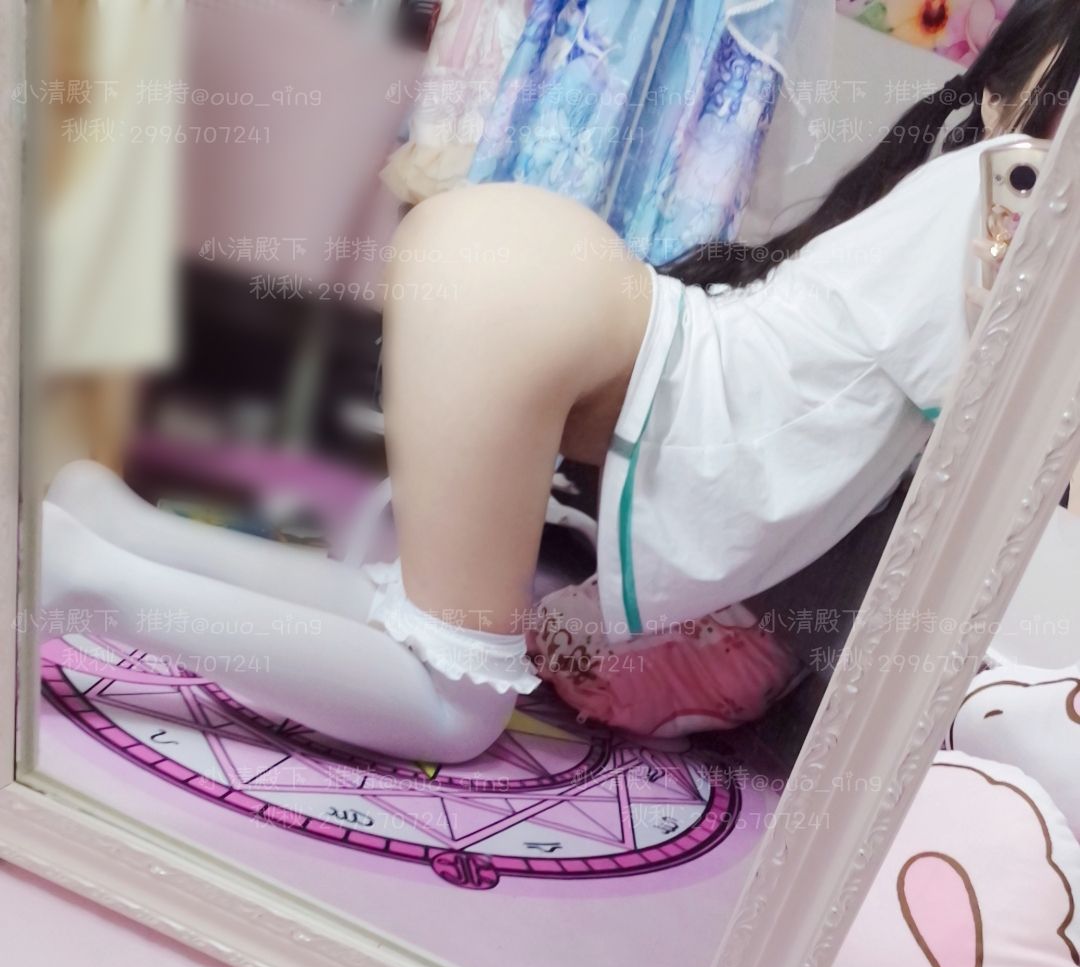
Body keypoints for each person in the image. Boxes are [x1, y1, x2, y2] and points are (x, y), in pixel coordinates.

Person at [41, 0, 1079, 764]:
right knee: (452, 706)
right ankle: (79, 581)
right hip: (529, 300)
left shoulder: (967, 190)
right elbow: (967, 473)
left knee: (418, 616)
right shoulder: (1007, 213)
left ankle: (114, 530)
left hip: (526, 269)